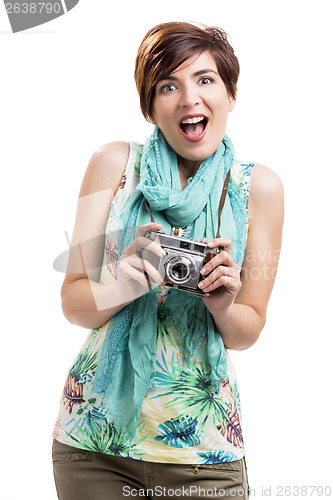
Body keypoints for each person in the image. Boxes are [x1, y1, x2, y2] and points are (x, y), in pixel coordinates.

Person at [52, 21, 284, 500]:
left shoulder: (258, 188)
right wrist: (123, 284)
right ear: (149, 105)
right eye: (168, 85)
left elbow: (249, 329)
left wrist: (223, 305)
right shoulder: (112, 164)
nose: (188, 98)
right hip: (94, 444)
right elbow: (73, 301)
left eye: (205, 79)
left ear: (230, 93)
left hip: (205, 453)